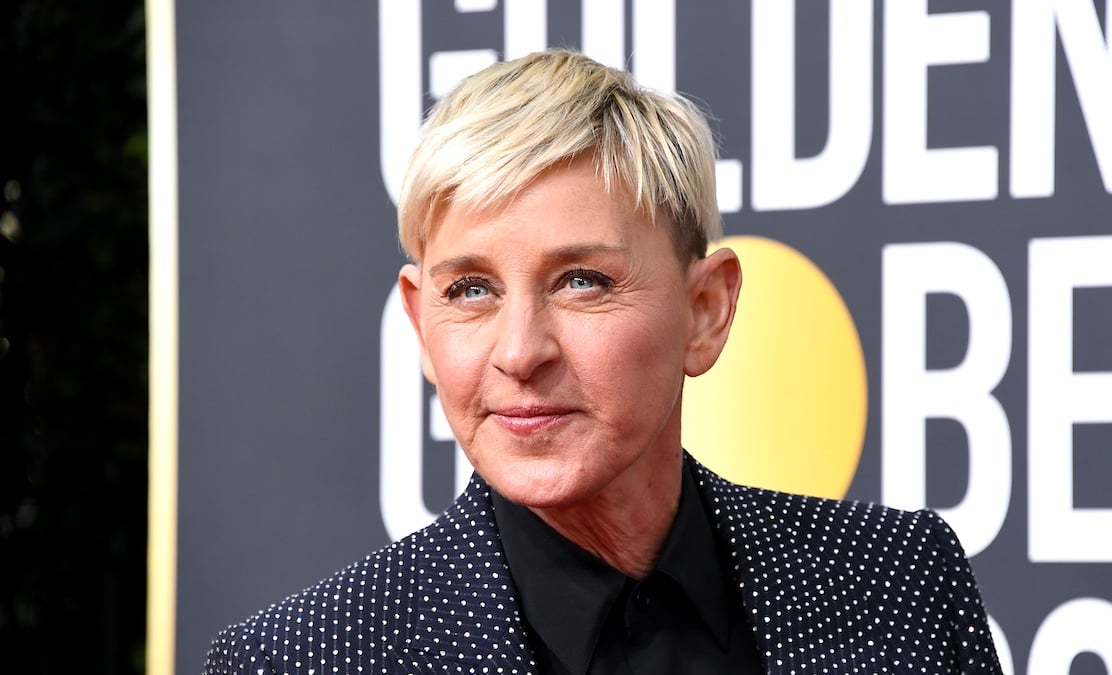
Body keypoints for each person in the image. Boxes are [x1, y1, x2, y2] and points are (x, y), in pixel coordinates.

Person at [204, 50, 1002, 674]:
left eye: (582, 281)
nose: (519, 351)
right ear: (420, 318)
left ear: (705, 311)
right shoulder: (296, 658)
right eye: (472, 289)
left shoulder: (899, 584)